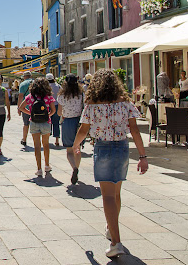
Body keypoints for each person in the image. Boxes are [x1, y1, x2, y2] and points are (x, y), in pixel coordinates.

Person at [72, 69, 148, 259]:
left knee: (107, 196)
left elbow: (84, 129)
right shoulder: (125, 103)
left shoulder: (92, 105)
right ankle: (110, 228)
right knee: (116, 193)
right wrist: (142, 156)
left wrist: (75, 145)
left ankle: (116, 242)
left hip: (103, 148)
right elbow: (135, 130)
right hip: (122, 148)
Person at [18, 77, 55, 176]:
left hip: (34, 122)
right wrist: (48, 116)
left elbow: (21, 107)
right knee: (46, 145)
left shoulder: (30, 96)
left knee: (37, 146)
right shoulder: (48, 97)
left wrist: (30, 113)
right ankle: (47, 165)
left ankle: (39, 169)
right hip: (46, 123)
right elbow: (53, 110)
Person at [57, 74, 84, 184]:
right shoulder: (81, 94)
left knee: (69, 150)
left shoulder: (62, 96)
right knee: (77, 149)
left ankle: (74, 168)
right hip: (78, 122)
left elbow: (59, 112)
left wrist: (64, 114)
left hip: (67, 121)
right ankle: (77, 167)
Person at [17, 71, 34, 147]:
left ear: (24, 77)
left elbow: (21, 96)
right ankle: (36, 139)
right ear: (31, 76)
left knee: (26, 124)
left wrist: (19, 107)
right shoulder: (35, 83)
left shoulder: (22, 84)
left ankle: (24, 139)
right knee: (36, 123)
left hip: (26, 108)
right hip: (36, 107)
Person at [47, 73, 62, 146]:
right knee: (56, 123)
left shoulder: (46, 87)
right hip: (56, 105)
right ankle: (57, 140)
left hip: (48, 105)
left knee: (47, 122)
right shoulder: (58, 86)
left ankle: (47, 138)